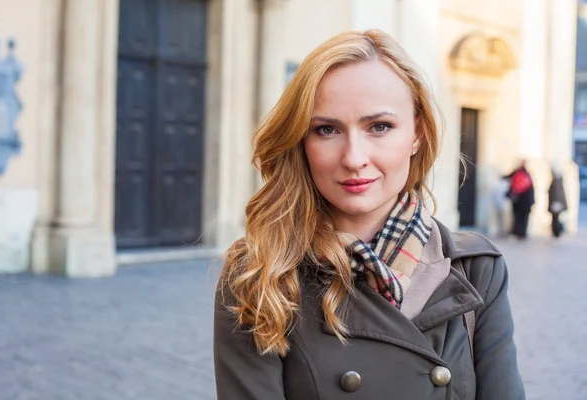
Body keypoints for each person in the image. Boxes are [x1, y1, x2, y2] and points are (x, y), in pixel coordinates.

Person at [214, 30, 525, 399]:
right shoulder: (259, 275)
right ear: (301, 141)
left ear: (417, 135)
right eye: (326, 130)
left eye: (379, 127)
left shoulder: (475, 269)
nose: (354, 157)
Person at [503, 161, 535, 239]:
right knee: (522, 218)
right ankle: (521, 233)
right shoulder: (526, 175)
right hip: (523, 201)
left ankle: (518, 233)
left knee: (518, 217)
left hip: (519, 200)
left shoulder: (520, 174)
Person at [548, 169, 567, 237]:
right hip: (556, 203)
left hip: (556, 204)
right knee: (555, 218)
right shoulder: (558, 181)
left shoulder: (557, 182)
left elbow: (557, 194)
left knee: (555, 219)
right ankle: (556, 231)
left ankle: (557, 231)